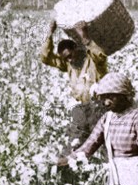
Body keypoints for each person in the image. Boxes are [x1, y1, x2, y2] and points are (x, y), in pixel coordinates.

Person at [41, 19, 108, 153]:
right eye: (65, 58)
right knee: (74, 145)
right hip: (80, 109)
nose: (69, 60)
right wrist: (50, 33)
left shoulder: (92, 60)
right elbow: (45, 57)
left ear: (76, 49)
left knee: (103, 145)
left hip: (99, 108)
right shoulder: (68, 64)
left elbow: (101, 55)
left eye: (70, 55)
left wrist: (85, 37)